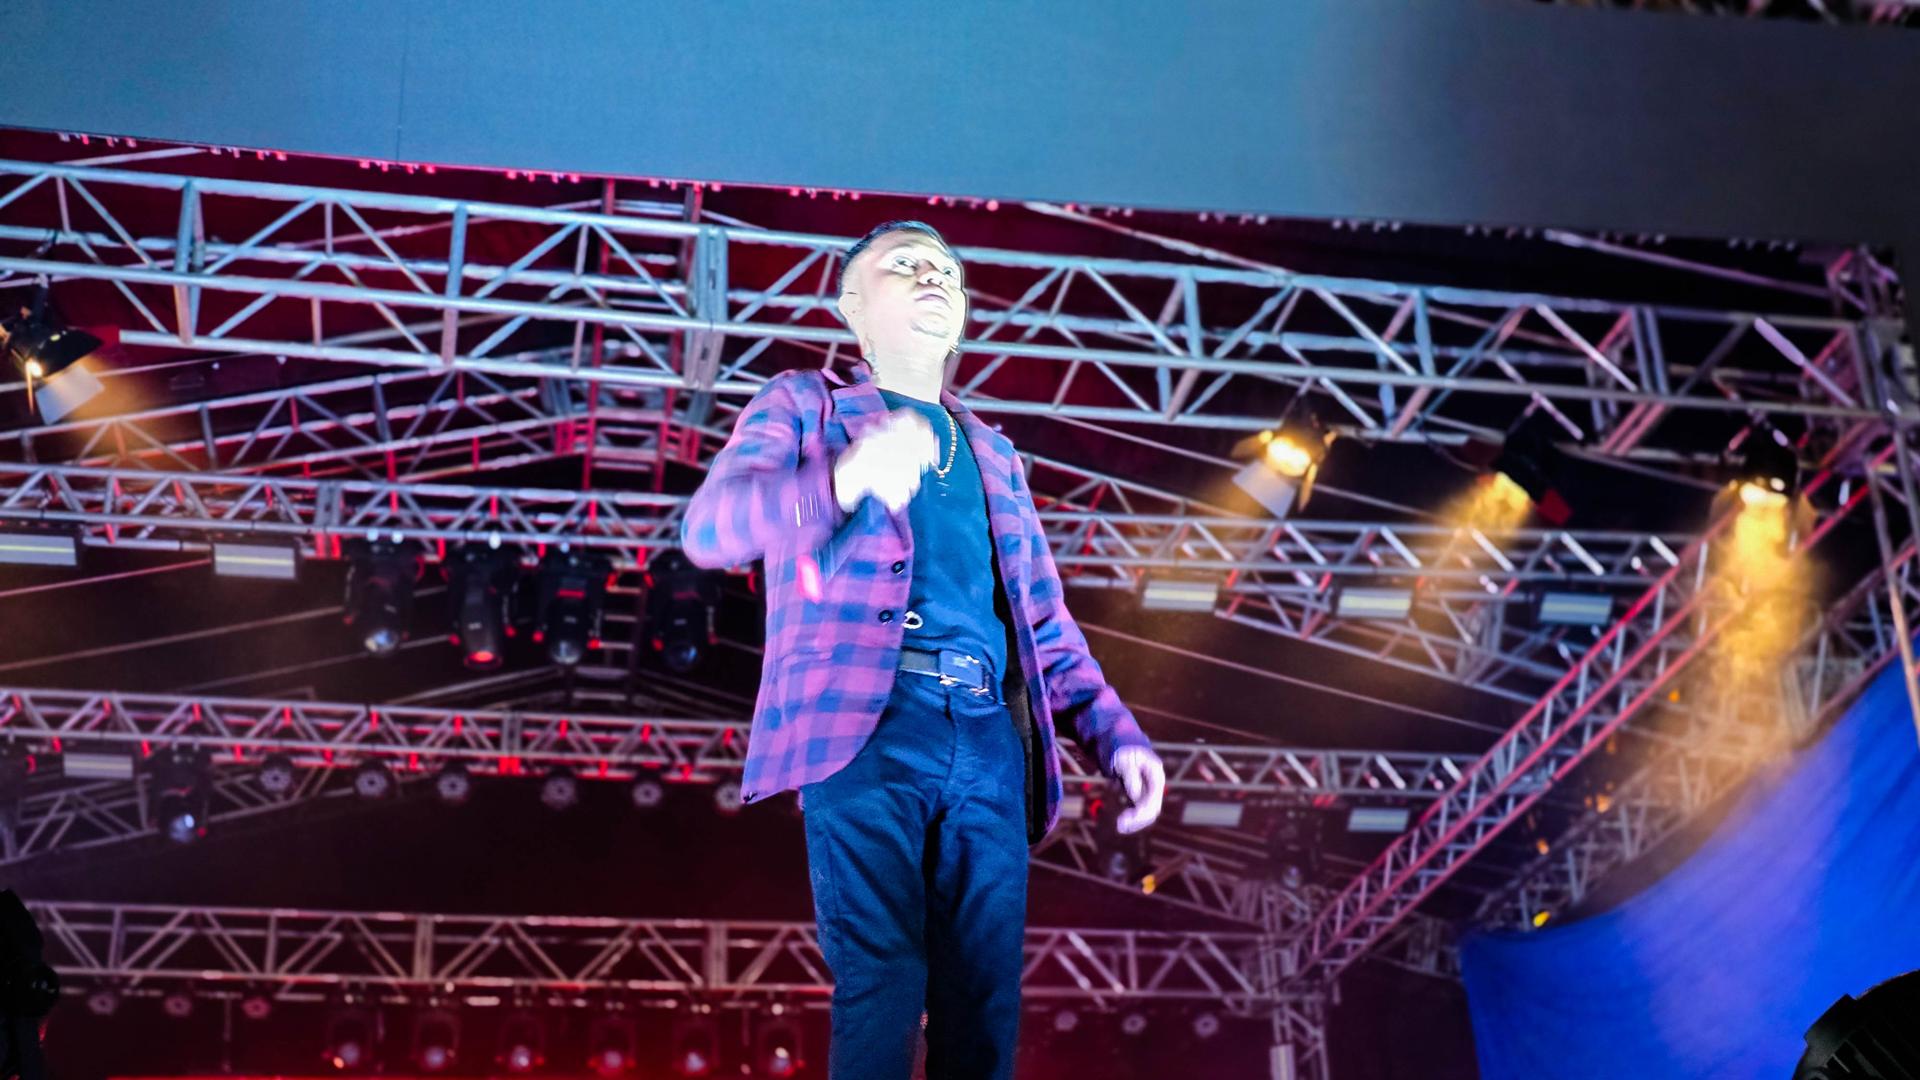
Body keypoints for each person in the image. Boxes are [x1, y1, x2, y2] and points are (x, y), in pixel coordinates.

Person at [681, 220, 1166, 1080]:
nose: (934, 277)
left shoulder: (995, 455)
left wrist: (1116, 735)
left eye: (947, 270)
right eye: (904, 265)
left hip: (986, 732)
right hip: (866, 723)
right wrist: (843, 478)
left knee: (985, 1001)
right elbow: (711, 530)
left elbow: (1043, 621)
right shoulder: (806, 402)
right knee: (886, 976)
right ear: (851, 305)